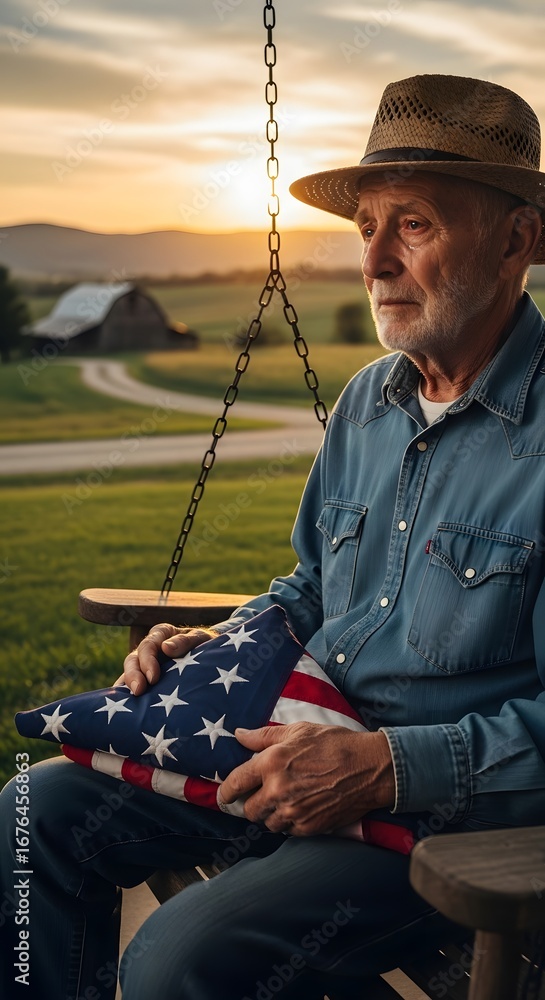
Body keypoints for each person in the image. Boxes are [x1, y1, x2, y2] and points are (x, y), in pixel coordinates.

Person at [2, 73, 545, 1000]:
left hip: (440, 823)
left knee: (179, 954)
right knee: (30, 814)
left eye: (411, 224)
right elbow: (309, 588)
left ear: (514, 240)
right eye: (364, 226)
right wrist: (222, 643)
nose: (372, 261)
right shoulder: (368, 405)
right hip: (286, 741)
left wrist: (382, 766)